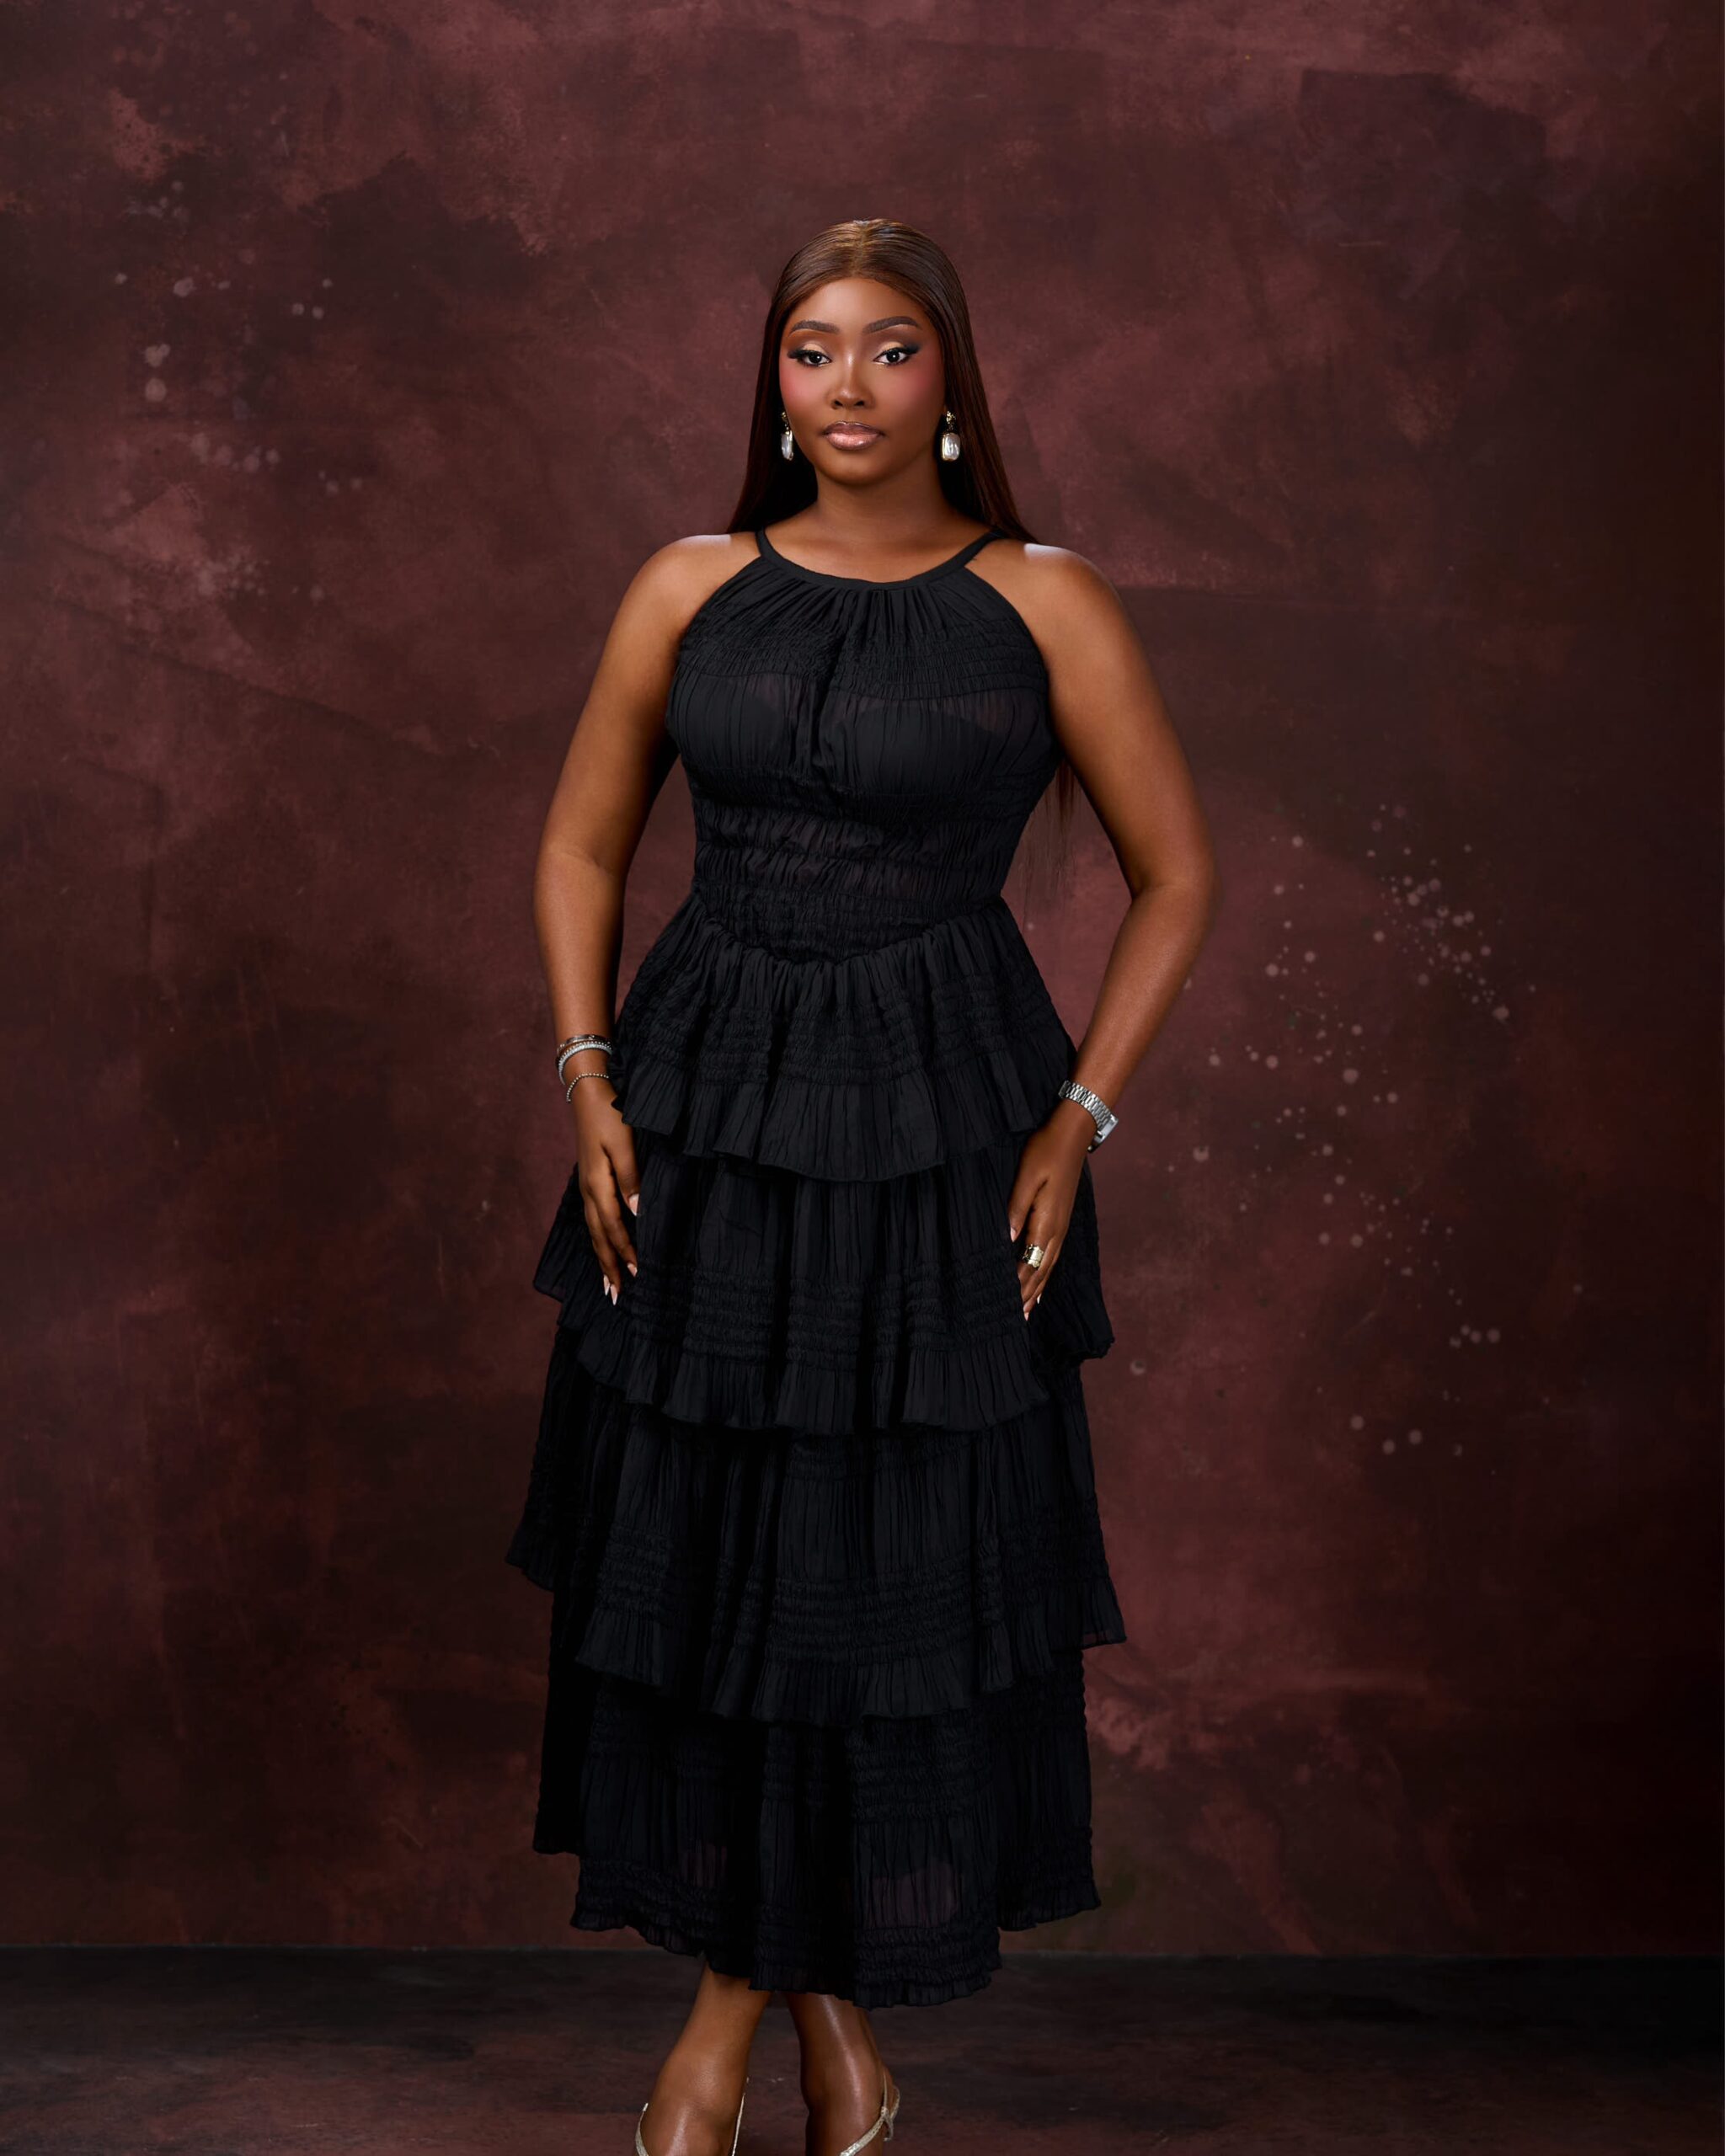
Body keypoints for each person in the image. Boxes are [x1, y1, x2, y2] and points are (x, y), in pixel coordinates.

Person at [507, 216, 1220, 2156]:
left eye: (887, 348)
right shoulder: (686, 584)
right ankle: (836, 2033)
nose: (844, 384)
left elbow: (1177, 874)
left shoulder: (1046, 604)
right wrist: (586, 1069)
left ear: (949, 383)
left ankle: (716, 2037)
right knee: (729, 1562)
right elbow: (579, 848)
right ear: (774, 376)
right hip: (706, 1113)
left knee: (868, 1569)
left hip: (941, 1133)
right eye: (810, 346)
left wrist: (1078, 1116)